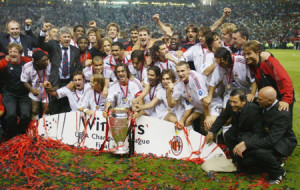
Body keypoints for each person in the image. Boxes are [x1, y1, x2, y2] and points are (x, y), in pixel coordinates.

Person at [233, 87, 297, 184]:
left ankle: (278, 173)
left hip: (283, 141)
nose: (257, 101)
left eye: (260, 99)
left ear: (270, 100)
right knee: (247, 161)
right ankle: (270, 162)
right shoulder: (263, 103)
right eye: (257, 98)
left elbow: (271, 140)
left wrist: (247, 144)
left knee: (260, 151)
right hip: (265, 136)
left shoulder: (282, 114)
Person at [205, 89, 263, 170]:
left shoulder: (253, 110)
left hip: (250, 133)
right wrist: (212, 132)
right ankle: (236, 160)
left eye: (235, 102)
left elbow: (258, 132)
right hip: (237, 129)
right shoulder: (230, 103)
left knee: (248, 161)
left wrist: (245, 143)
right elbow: (222, 118)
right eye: (231, 101)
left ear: (244, 101)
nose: (232, 104)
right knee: (228, 135)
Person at [38, 23, 82, 114]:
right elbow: (40, 44)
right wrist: (43, 31)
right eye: (64, 37)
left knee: (67, 110)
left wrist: (73, 82)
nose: (67, 39)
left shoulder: (75, 50)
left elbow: (78, 67)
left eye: (68, 37)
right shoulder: (53, 46)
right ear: (59, 38)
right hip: (55, 83)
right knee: (55, 110)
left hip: (69, 83)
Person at [243, 40, 294, 113]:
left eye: (249, 54)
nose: (246, 57)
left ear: (257, 52)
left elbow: (284, 80)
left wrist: (286, 100)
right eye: (244, 54)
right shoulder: (252, 65)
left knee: (282, 120)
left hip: (281, 98)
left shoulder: (268, 62)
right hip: (268, 99)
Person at [0, 43, 31, 139]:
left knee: (25, 115)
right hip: (10, 94)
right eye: (10, 52)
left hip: (24, 94)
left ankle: (21, 134)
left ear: (20, 53)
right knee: (11, 115)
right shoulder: (5, 62)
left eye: (15, 51)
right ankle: (12, 135)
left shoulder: (26, 62)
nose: (12, 54)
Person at [167, 61, 208, 133]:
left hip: (208, 105)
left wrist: (207, 117)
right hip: (198, 107)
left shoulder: (195, 77)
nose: (180, 74)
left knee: (208, 124)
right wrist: (169, 91)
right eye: (178, 71)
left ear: (188, 70)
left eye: (182, 71)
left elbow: (205, 100)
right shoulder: (179, 83)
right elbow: (172, 104)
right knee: (187, 122)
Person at [21, 49, 51, 120]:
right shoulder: (27, 67)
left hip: (46, 91)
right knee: (34, 110)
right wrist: (31, 89)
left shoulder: (49, 66)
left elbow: (54, 78)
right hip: (34, 90)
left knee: (47, 110)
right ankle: (34, 128)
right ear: (37, 62)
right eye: (43, 61)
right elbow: (24, 81)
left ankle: (46, 128)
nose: (46, 62)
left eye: (46, 59)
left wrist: (50, 86)